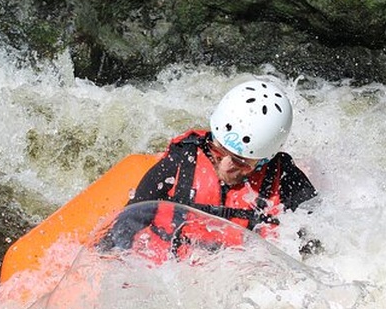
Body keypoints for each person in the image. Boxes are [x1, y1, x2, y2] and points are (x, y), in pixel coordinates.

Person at [99, 79, 317, 262]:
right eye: (219, 151)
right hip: (170, 271)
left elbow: (320, 245)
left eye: (241, 161)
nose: (225, 165)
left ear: (264, 160)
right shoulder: (179, 163)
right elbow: (123, 227)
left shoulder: (288, 181)